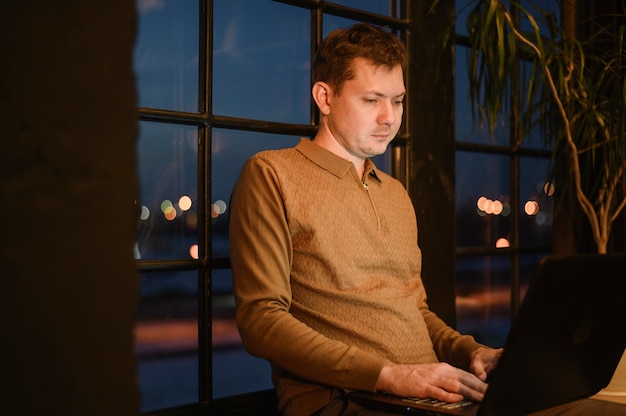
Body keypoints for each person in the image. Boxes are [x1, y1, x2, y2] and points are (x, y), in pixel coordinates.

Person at [228, 23, 626, 416]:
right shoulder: (272, 174)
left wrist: (472, 352)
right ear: (324, 97)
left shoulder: (395, 193)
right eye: (372, 100)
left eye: (398, 101)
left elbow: (414, 310)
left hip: (425, 398)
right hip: (344, 401)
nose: (389, 117)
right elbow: (262, 320)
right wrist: (390, 376)